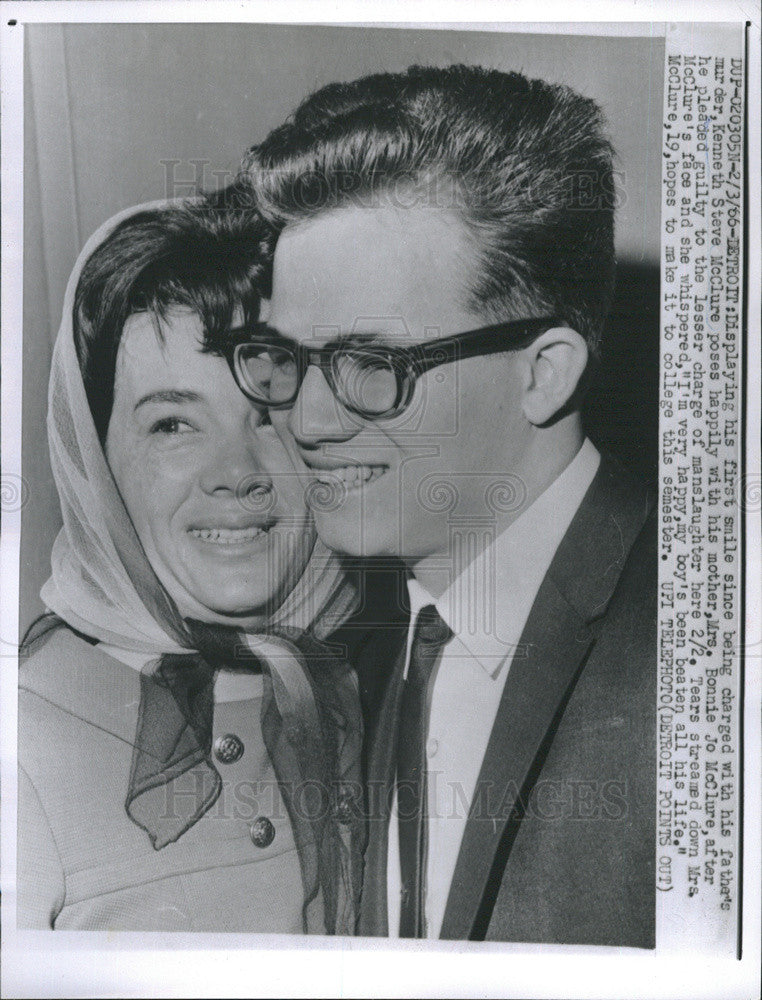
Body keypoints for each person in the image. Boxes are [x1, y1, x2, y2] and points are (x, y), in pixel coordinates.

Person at [231, 64, 657, 946]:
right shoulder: (361, 637)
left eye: (374, 367)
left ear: (542, 373)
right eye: (283, 357)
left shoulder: (701, 667)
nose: (306, 422)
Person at [17, 191, 365, 933]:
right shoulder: (23, 745)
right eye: (172, 423)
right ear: (96, 462)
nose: (237, 470)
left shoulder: (381, 684)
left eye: (268, 415)